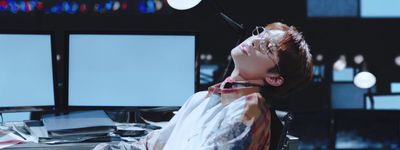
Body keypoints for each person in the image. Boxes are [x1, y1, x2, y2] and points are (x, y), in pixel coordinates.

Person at [94, 22, 313, 150]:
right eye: (259, 34)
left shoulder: (252, 108)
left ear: (275, 78)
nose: (255, 41)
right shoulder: (201, 98)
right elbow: (150, 146)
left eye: (267, 47)